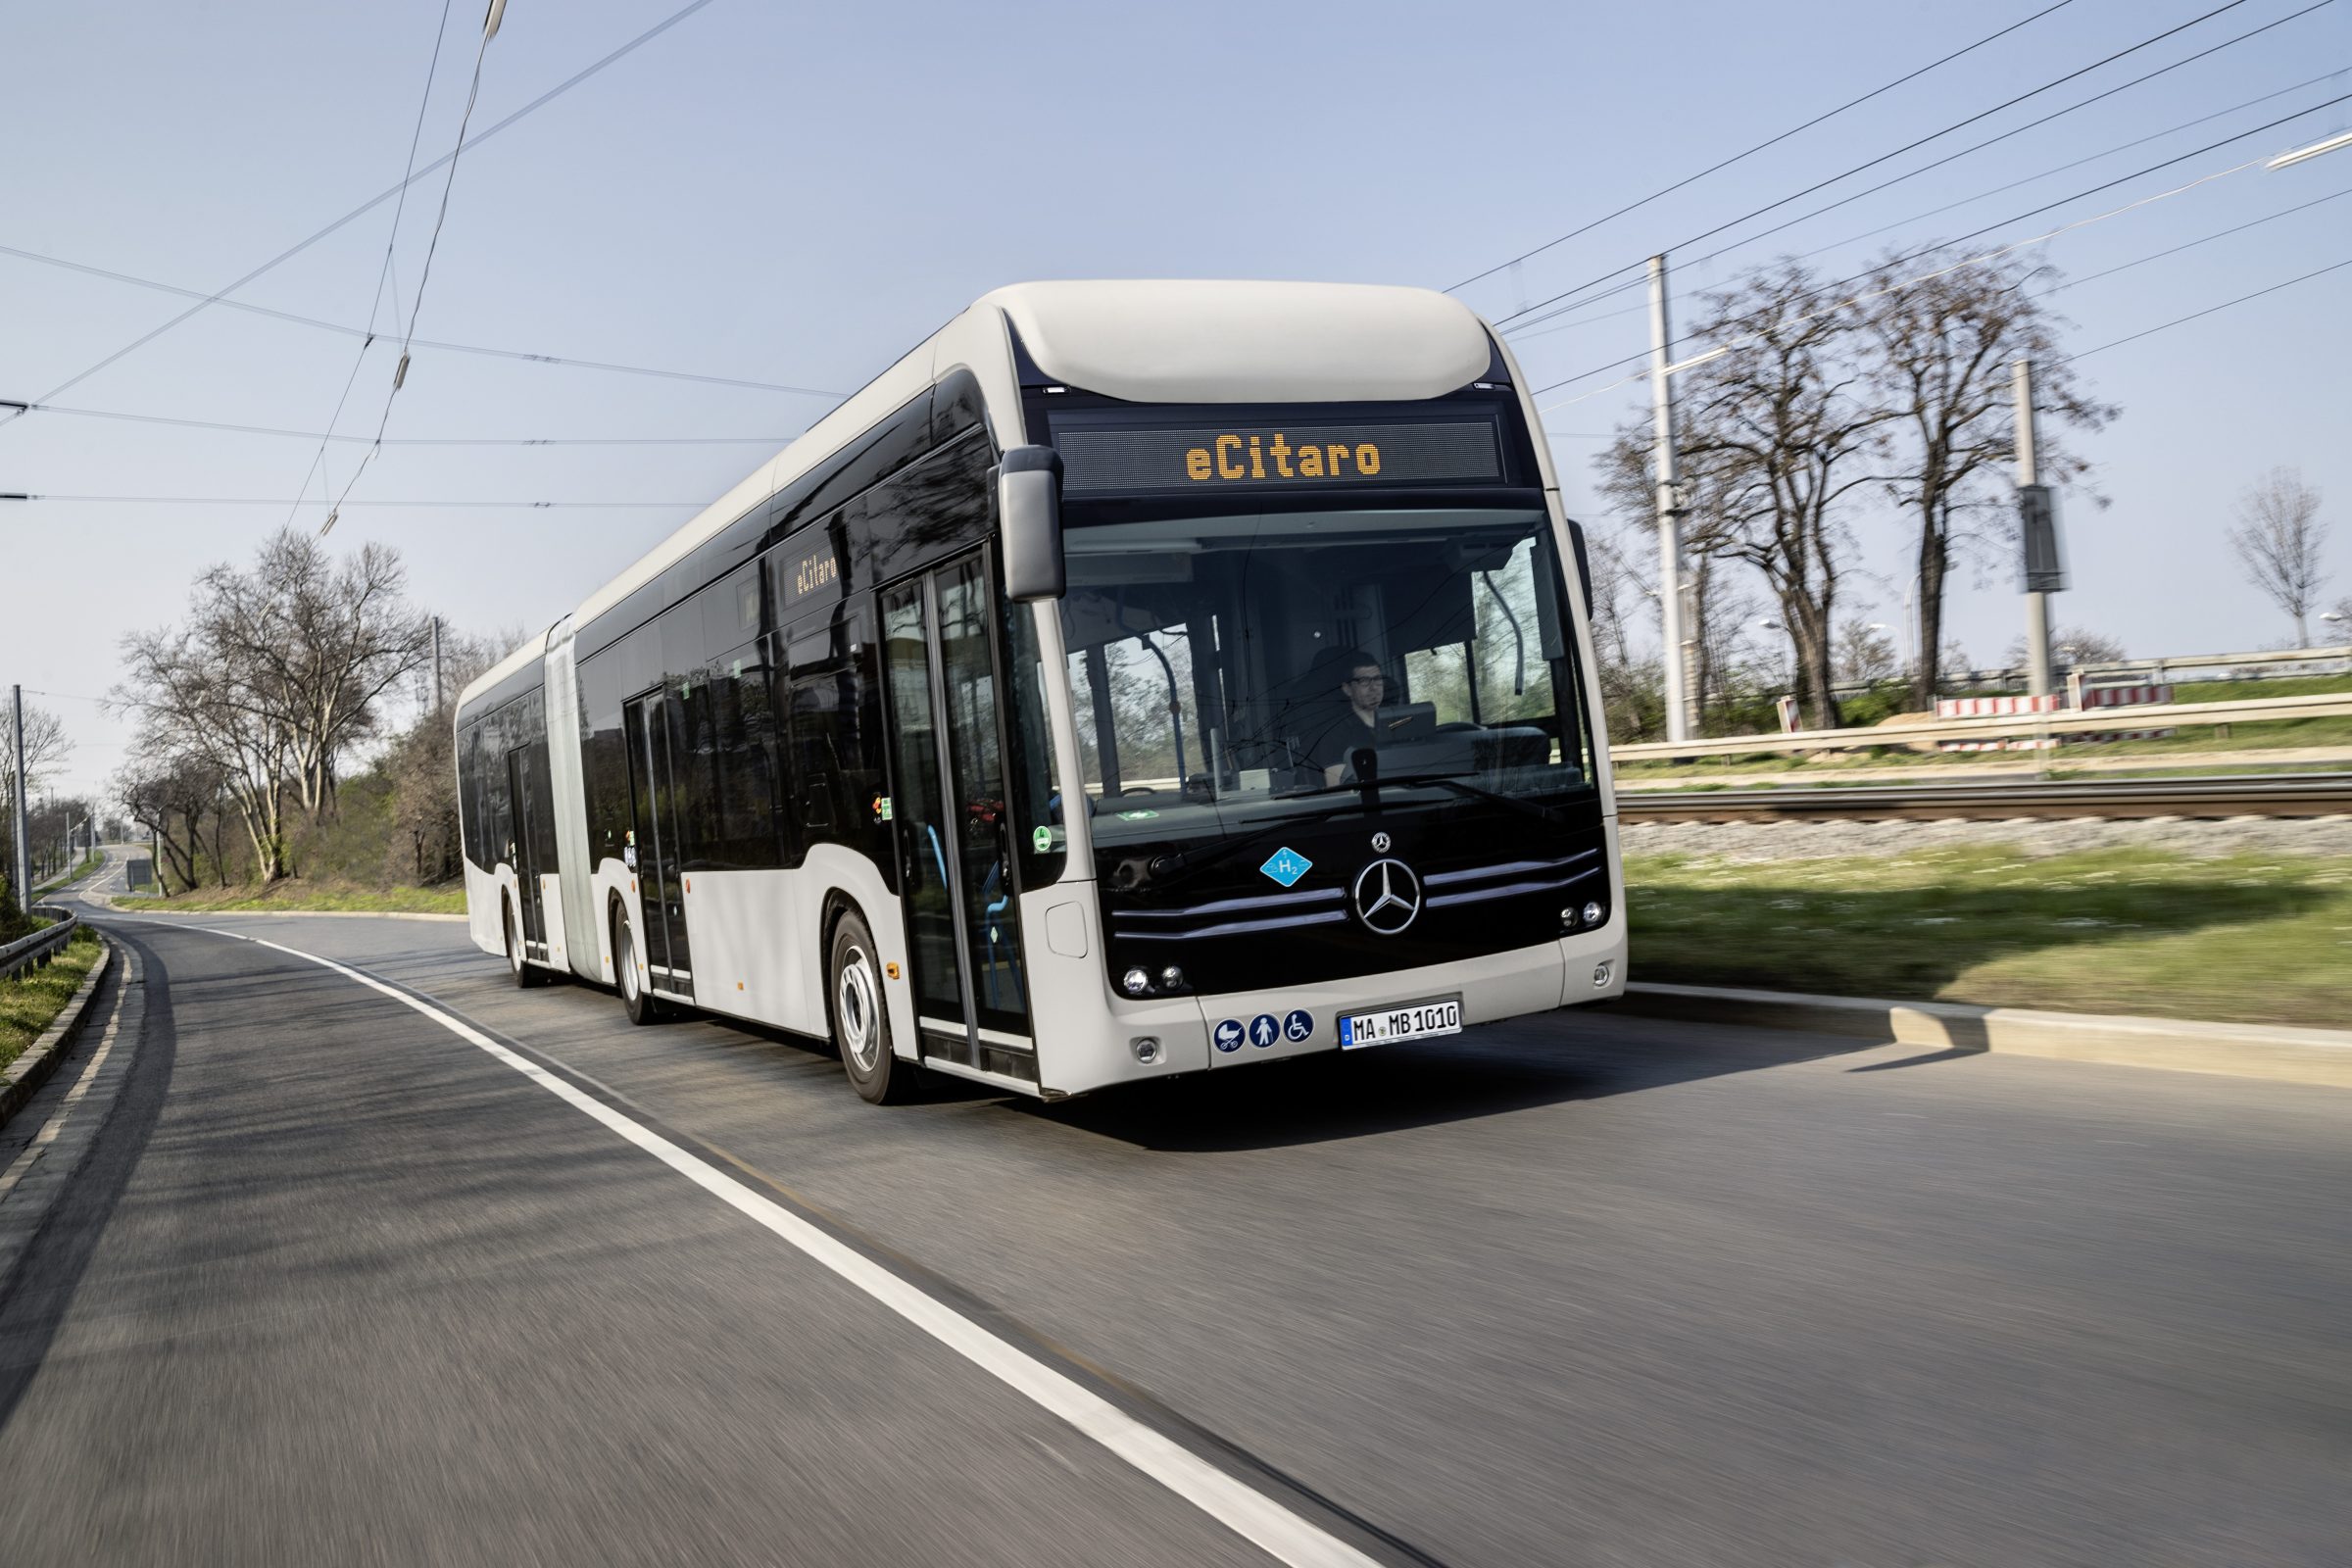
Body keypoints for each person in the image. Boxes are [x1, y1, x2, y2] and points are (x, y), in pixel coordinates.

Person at [1302, 650, 1388, 783]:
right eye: (1364, 681)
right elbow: (1337, 787)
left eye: (1377, 679)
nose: (1374, 688)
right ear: (1347, 689)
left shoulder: (1394, 722)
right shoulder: (1334, 732)